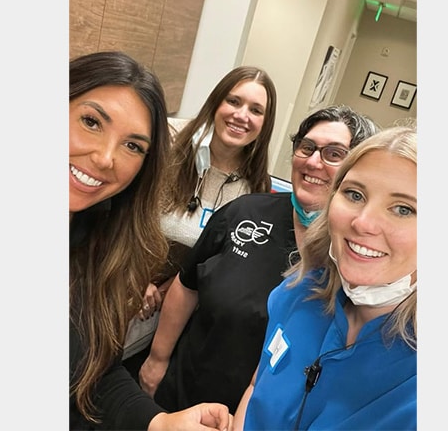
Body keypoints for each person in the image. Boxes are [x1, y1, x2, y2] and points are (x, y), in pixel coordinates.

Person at [137, 105, 379, 413]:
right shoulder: (245, 213)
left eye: (334, 153)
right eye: (307, 147)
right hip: (184, 393)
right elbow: (187, 285)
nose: (313, 161)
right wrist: (157, 360)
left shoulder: (360, 252)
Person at [69, 50, 231, 431]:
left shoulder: (100, 247)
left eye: (132, 146)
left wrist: (160, 422)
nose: (105, 158)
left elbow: (94, 372)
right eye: (91, 122)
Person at [232, 125, 417, 430]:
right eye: (354, 194)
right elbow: (257, 387)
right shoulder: (299, 292)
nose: (363, 222)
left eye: (403, 209)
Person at [122, 65, 278, 363]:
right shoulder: (167, 141)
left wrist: (178, 284)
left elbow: (226, 264)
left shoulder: (256, 187)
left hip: (169, 317)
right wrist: (135, 277)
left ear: (265, 123)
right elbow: (123, 212)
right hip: (118, 279)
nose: (242, 115)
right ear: (216, 102)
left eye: (256, 110)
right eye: (234, 101)